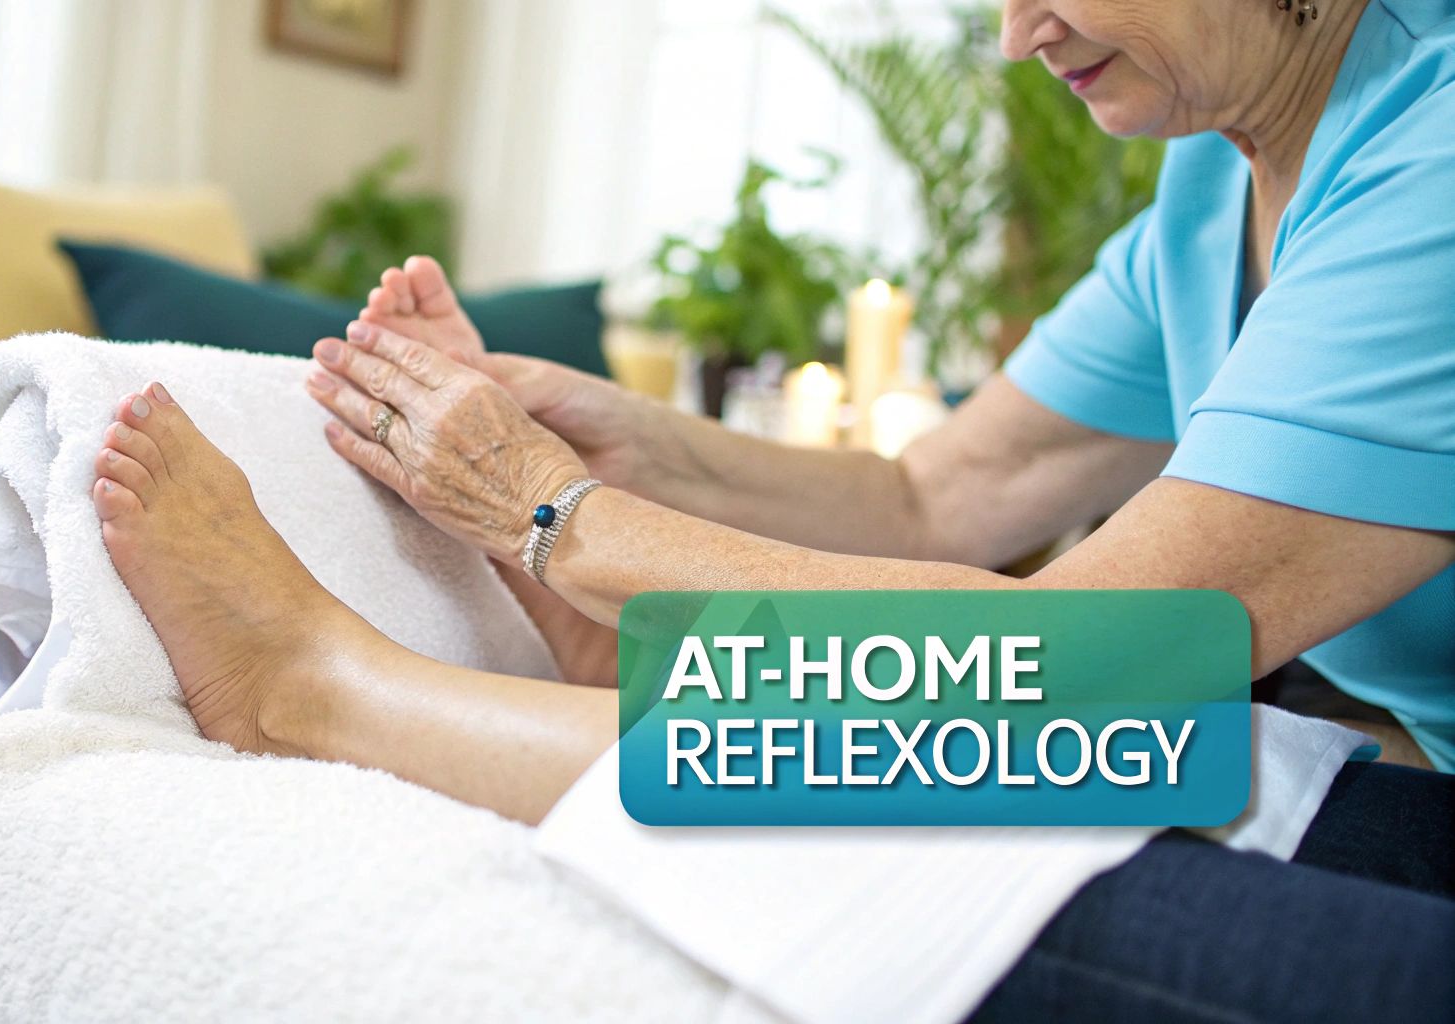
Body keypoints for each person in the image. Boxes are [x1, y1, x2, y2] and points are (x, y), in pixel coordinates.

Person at [85, 0, 1454, 1018]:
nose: (1016, 34)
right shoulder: (1215, 183)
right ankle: (599, 665)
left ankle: (324, 688)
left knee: (974, 799)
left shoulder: (1435, 159)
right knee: (1061, 759)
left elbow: (1078, 670)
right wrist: (626, 454)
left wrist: (557, 517)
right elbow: (938, 490)